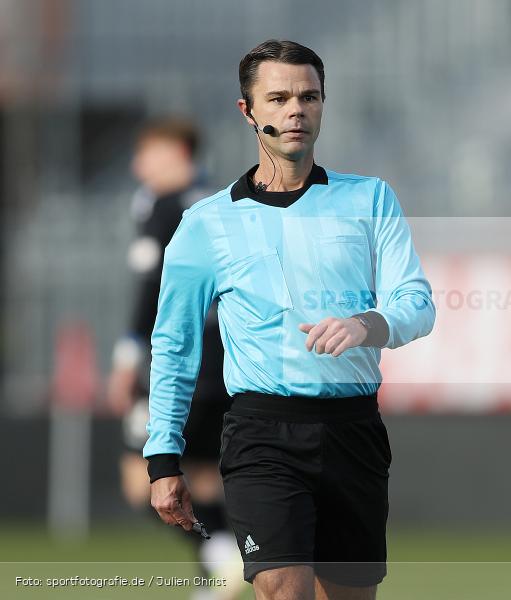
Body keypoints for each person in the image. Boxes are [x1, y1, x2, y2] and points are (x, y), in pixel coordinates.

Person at [143, 40, 436, 600]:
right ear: (247, 111)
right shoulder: (206, 224)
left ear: (324, 105)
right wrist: (163, 459)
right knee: (283, 588)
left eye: (309, 96)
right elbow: (174, 345)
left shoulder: (370, 199)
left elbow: (416, 302)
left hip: (354, 431)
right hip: (260, 432)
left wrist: (368, 323)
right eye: (277, 98)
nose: (295, 109)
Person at [107, 117, 242, 600]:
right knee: (203, 475)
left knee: (139, 477)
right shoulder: (223, 202)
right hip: (225, 363)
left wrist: (126, 357)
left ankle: (223, 551)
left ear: (176, 153)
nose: (137, 165)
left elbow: (151, 289)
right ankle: (225, 563)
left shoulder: (164, 208)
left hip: (176, 363)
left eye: (147, 154)